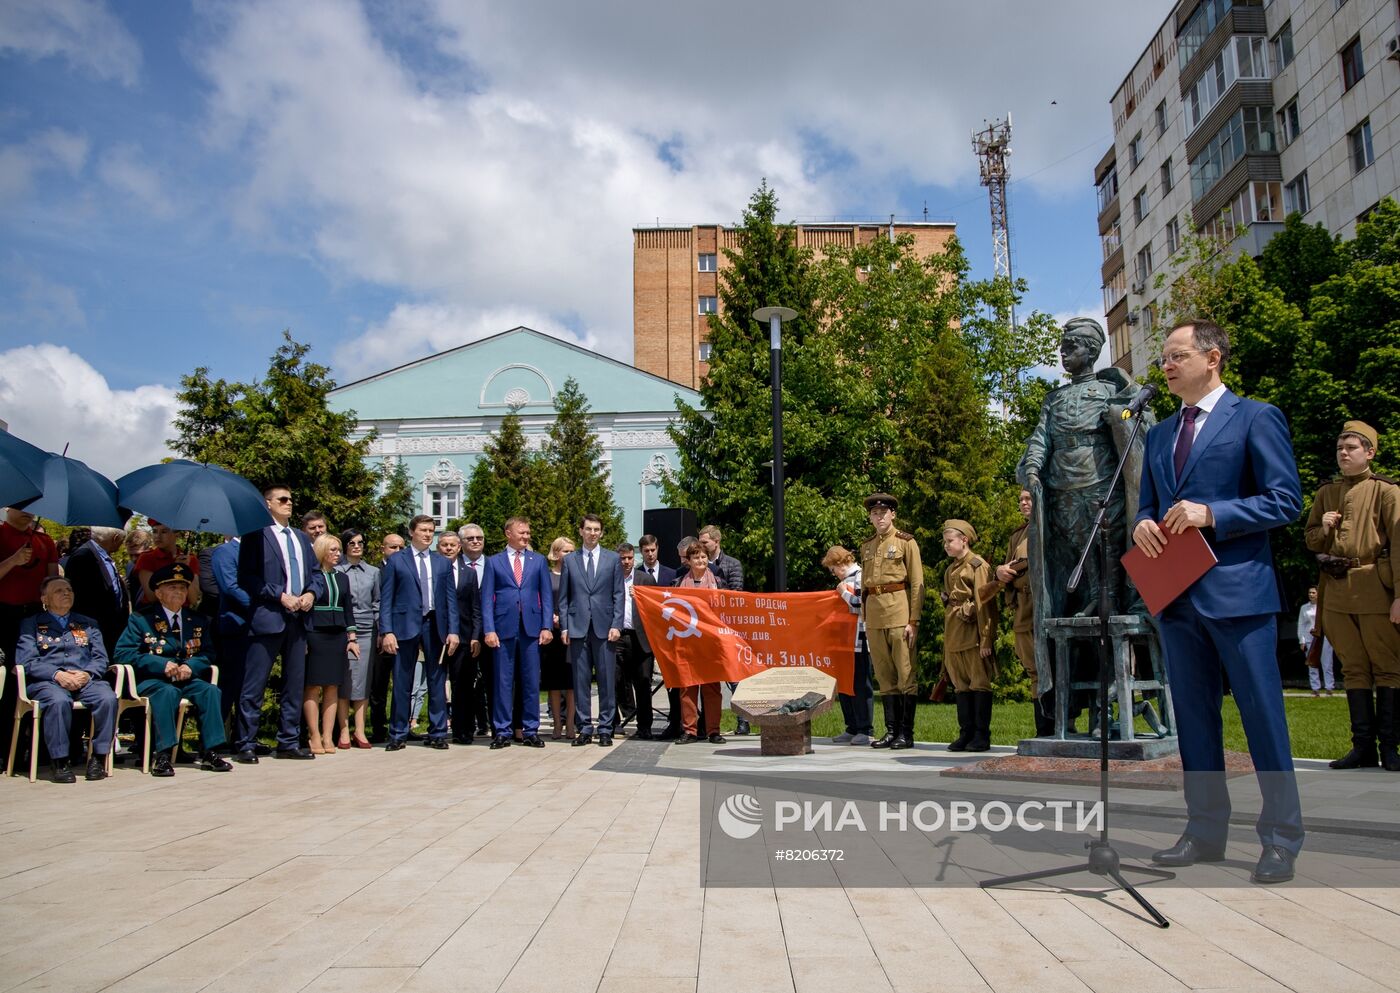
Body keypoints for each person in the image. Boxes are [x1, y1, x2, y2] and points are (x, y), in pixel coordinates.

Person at [1134, 319, 1304, 884]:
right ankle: (1204, 831)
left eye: (1176, 355)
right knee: (1196, 723)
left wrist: (1214, 514)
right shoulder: (1158, 434)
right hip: (1176, 598)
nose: (1166, 366)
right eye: (1163, 358)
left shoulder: (1256, 417)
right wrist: (1140, 527)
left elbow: (1285, 501)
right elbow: (1145, 505)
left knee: (1262, 719)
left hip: (1238, 594)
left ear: (1212, 358)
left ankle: (1281, 838)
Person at [1303, 420, 1400, 771]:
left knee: (1387, 668)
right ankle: (1362, 747)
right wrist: (1324, 527)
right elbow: (1311, 540)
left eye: (1351, 448)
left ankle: (1390, 747)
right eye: (1340, 449)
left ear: (1369, 452)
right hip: (1336, 590)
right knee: (1354, 670)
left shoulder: (1387, 491)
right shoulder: (1326, 492)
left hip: (1376, 586)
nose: (1343, 453)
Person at [232, 484, 325, 763]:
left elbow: (316, 574)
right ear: (268, 504)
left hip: (298, 619)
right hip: (268, 617)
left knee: (294, 683)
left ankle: (288, 740)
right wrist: (280, 596)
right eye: (282, 499)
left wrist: (310, 593)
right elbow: (247, 577)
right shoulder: (256, 535)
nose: (288, 503)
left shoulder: (300, 537)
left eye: (291, 499)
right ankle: (246, 742)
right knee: (255, 683)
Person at [113, 563, 231, 775]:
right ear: (158, 593)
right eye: (172, 587)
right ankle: (163, 754)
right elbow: (123, 653)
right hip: (153, 680)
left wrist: (190, 666)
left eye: (183, 588)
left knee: (211, 691)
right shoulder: (141, 619)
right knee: (168, 692)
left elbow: (208, 653)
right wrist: (160, 664)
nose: (179, 592)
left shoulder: (197, 620)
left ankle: (210, 751)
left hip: (186, 678)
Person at [15, 576, 116, 782]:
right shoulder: (32, 624)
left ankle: (98, 757)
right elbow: (26, 661)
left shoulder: (87, 623)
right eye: (59, 591)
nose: (66, 593)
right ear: (45, 598)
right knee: (59, 701)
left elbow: (101, 658)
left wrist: (87, 674)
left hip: (84, 679)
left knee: (107, 698)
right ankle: (60, 761)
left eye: (69, 589)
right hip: (48, 681)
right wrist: (57, 674)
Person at [380, 515, 460, 751]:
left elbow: (450, 600)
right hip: (404, 624)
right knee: (403, 679)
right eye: (424, 530)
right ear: (412, 532)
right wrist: (387, 631)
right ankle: (398, 733)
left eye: (431, 530)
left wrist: (453, 631)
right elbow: (387, 599)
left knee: (437, 679)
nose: (428, 534)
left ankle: (437, 733)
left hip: (435, 624)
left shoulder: (441, 562)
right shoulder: (397, 561)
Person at [859, 494, 924, 751]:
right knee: (884, 675)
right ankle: (891, 730)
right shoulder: (867, 546)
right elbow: (864, 586)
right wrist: (864, 616)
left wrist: (914, 619)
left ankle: (906, 733)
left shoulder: (906, 542)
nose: (879, 517)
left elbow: (918, 583)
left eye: (884, 513)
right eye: (875, 514)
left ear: (893, 515)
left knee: (905, 673)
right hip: (875, 615)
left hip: (899, 610)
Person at [481, 516, 553, 749]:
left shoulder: (538, 560)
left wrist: (546, 626)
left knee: (531, 682)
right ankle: (502, 730)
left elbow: (546, 596)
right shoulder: (493, 562)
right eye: (521, 532)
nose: (526, 536)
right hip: (503, 629)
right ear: (508, 534)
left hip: (531, 629)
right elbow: (486, 599)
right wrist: (489, 629)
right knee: (502, 681)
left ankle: (530, 730)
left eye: (527, 532)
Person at [1, 505, 61, 765]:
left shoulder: (44, 540)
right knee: (6, 683)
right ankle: (4, 749)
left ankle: (33, 747)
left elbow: (52, 581)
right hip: (3, 614)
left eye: (31, 508)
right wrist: (13, 560)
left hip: (35, 616)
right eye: (20, 507)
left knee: (31, 678)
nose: (27, 512)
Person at [558, 514, 625, 747]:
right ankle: (584, 728)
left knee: (606, 681)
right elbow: (564, 598)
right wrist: (564, 627)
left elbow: (619, 594)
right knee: (581, 680)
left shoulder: (612, 559)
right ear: (581, 531)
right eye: (588, 529)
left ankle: (606, 728)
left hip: (605, 628)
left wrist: (617, 624)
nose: (593, 533)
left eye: (597, 529)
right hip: (577, 628)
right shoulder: (569, 560)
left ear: (602, 533)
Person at [941, 520, 997, 752]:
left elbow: (985, 603)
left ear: (964, 540)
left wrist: (986, 638)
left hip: (972, 636)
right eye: (944, 541)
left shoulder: (977, 565)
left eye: (950, 541)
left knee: (978, 683)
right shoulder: (951, 568)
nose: (946, 546)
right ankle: (966, 733)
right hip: (954, 635)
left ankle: (981, 735)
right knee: (961, 686)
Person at [1000, 489, 1051, 735]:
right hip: (1024, 608)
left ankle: (1059, 724)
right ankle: (1043, 728)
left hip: (1048, 609)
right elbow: (1007, 567)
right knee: (1033, 669)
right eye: (1020, 499)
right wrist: (1000, 572)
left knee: (1051, 667)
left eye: (1028, 498)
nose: (1023, 503)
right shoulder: (1017, 536)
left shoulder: (1051, 528)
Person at [303, 534, 356, 754]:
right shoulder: (311, 577)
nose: (337, 554)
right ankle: (313, 734)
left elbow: (348, 609)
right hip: (315, 632)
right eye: (332, 550)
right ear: (322, 550)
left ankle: (327, 736)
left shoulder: (342, 578)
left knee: (333, 686)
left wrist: (351, 637)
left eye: (338, 550)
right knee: (313, 686)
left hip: (337, 635)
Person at [675, 542, 726, 744]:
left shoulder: (719, 583)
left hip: (710, 644)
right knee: (687, 688)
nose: (701, 560)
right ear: (688, 561)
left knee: (712, 689)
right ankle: (690, 731)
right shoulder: (678, 583)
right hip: (687, 643)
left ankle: (713, 730)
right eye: (696, 557)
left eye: (704, 557)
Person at [822, 546, 873, 745]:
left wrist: (843, 594)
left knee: (861, 685)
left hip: (860, 640)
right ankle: (852, 726)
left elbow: (862, 605)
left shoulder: (860, 578)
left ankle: (865, 728)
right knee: (845, 685)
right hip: (843, 642)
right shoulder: (844, 581)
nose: (832, 573)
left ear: (840, 564)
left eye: (832, 569)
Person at [334, 529, 379, 749]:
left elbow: (378, 602)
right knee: (344, 679)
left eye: (360, 542)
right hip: (341, 629)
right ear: (344, 545)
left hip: (367, 629)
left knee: (362, 680)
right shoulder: (336, 570)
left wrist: (381, 630)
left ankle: (359, 730)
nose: (356, 546)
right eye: (351, 542)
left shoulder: (373, 571)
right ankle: (343, 730)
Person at [438, 531, 483, 744]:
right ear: (439, 548)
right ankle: (437, 729)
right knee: (437, 683)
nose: (448, 548)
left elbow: (476, 607)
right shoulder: (433, 570)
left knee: (463, 685)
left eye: (452, 545)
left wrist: (476, 636)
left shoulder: (468, 573)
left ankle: (463, 729)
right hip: (437, 634)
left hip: (465, 637)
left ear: (459, 548)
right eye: (444, 545)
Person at [62, 526, 129, 658]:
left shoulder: (103, 555)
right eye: (122, 540)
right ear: (115, 538)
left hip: (111, 630)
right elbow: (79, 601)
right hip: (93, 631)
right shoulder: (83, 557)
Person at [210, 536, 250, 740]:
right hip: (235, 624)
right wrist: (259, 605)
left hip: (255, 627)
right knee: (230, 684)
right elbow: (230, 587)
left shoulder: (255, 552)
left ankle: (244, 737)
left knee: (249, 686)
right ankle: (213, 739)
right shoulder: (224, 552)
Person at [367, 531, 405, 742]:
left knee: (402, 683)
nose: (397, 551)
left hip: (404, 635)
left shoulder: (408, 568)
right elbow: (377, 603)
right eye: (393, 547)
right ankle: (379, 728)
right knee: (378, 685)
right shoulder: (376, 572)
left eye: (401, 547)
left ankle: (401, 726)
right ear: (383, 549)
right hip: (381, 636)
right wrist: (383, 631)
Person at [618, 543, 657, 740]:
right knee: (616, 681)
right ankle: (615, 723)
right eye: (623, 558)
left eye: (630, 558)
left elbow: (656, 607)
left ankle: (645, 726)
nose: (626, 562)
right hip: (617, 637)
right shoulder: (610, 579)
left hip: (641, 637)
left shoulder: (645, 579)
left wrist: (641, 599)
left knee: (643, 682)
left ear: (635, 558)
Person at [458, 523, 492, 737]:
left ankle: (496, 726)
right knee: (463, 681)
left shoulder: (494, 564)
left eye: (479, 537)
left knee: (493, 680)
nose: (476, 541)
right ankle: (465, 727)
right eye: (470, 538)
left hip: (491, 632)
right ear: (462, 543)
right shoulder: (452, 565)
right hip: (463, 631)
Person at [540, 537, 575, 739]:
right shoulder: (547, 575)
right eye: (565, 551)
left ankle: (571, 724)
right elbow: (541, 600)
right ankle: (556, 724)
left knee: (571, 683)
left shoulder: (575, 576)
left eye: (572, 551)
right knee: (554, 683)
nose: (569, 555)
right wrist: (549, 618)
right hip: (551, 636)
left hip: (571, 633)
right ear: (556, 553)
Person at [134, 521, 200, 608]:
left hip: (182, 614)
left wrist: (185, 569)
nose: (158, 536)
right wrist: (174, 569)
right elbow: (152, 597)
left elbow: (194, 599)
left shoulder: (190, 559)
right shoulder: (147, 558)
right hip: (155, 613)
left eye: (164, 532)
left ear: (177, 534)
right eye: (154, 531)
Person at [1296, 587, 1335, 698]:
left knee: (1327, 663)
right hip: (1309, 638)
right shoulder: (1304, 608)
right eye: (1310, 592)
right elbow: (1301, 624)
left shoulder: (1324, 607)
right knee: (1312, 663)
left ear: (1318, 594)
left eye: (1313, 592)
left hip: (1324, 637)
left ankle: (1329, 688)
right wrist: (1301, 640)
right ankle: (1315, 688)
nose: (1311, 594)